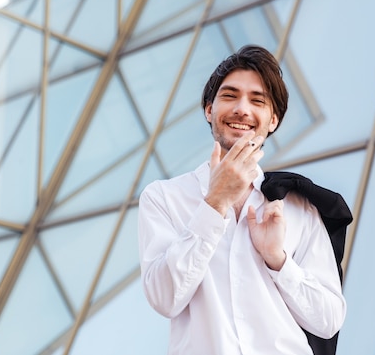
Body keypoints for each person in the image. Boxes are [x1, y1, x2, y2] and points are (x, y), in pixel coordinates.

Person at [137, 45, 348, 355]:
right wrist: (214, 204)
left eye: (257, 101)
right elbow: (164, 298)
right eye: (229, 96)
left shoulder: (298, 208)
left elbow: (329, 320)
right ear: (209, 109)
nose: (242, 109)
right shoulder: (164, 198)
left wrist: (278, 260)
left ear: (273, 120)